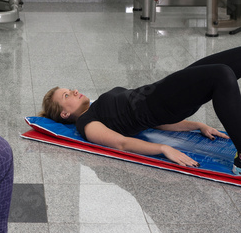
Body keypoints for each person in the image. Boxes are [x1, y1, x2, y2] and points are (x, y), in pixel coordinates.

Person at [39, 47, 241, 174]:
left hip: (165, 89)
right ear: (64, 114)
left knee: (233, 60)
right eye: (66, 96)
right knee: (222, 74)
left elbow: (151, 124)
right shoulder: (87, 123)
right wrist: (163, 149)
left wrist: (196, 126)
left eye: (69, 90)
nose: (74, 91)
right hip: (164, 100)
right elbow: (122, 143)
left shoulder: (96, 106)